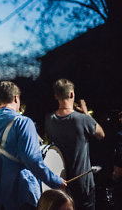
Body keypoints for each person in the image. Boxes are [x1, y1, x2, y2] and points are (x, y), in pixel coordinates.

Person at [0, 81, 67, 210]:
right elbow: (32, 160)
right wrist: (54, 180)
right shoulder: (23, 122)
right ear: (16, 98)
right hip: (20, 193)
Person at [45, 79, 105, 210]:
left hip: (61, 184)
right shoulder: (82, 119)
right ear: (72, 94)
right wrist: (85, 113)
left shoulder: (49, 120)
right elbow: (101, 135)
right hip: (83, 184)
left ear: (56, 96)